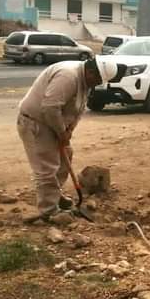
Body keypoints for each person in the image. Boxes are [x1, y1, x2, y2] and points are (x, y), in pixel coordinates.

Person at [17, 57, 119, 220]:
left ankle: (54, 195)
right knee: (47, 166)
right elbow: (50, 107)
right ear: (91, 72)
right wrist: (61, 132)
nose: (97, 84)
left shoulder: (85, 81)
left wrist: (69, 130)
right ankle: (49, 210)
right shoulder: (68, 76)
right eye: (98, 80)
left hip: (54, 124)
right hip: (36, 123)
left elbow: (79, 109)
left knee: (66, 156)